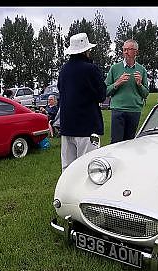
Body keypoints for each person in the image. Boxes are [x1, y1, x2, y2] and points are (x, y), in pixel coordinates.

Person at [57, 32, 107, 172]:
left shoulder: (64, 70)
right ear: (86, 51)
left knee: (67, 167)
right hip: (87, 126)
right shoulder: (91, 69)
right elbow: (101, 95)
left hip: (67, 125)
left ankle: (66, 192)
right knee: (88, 165)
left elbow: (61, 89)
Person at [105, 39, 149, 144]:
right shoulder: (114, 68)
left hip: (134, 111)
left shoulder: (141, 70)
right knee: (116, 143)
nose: (125, 52)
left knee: (130, 144)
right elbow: (106, 91)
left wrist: (139, 84)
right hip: (118, 110)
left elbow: (145, 93)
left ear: (136, 52)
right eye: (124, 49)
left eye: (129, 49)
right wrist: (117, 83)